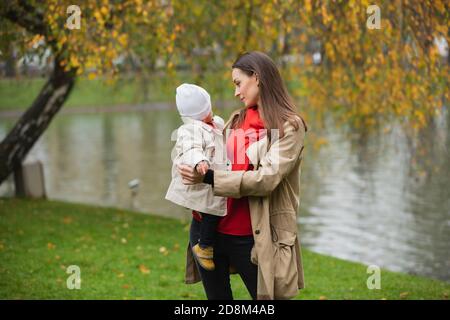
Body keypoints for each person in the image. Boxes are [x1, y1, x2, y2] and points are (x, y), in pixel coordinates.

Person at [178, 51, 308, 300]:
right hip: (208, 233)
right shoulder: (236, 120)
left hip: (251, 237)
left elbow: (266, 179)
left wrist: (209, 178)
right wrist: (192, 163)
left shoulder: (290, 127)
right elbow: (208, 154)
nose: (236, 92)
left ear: (256, 78)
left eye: (239, 83)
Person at [165, 83, 227, 271]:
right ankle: (205, 247)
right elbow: (191, 148)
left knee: (219, 209)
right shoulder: (190, 130)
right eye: (208, 108)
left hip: (214, 178)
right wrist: (200, 161)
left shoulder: (215, 123)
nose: (211, 111)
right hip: (201, 179)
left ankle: (223, 254)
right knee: (211, 209)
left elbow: (223, 135)